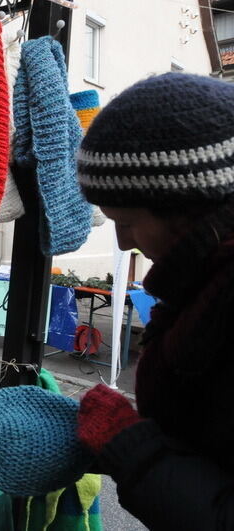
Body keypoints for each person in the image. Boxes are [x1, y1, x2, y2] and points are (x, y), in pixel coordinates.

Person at [73, 72, 234, 529]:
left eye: (127, 220)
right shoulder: (202, 280)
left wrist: (131, 443)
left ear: (189, 205)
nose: (124, 243)